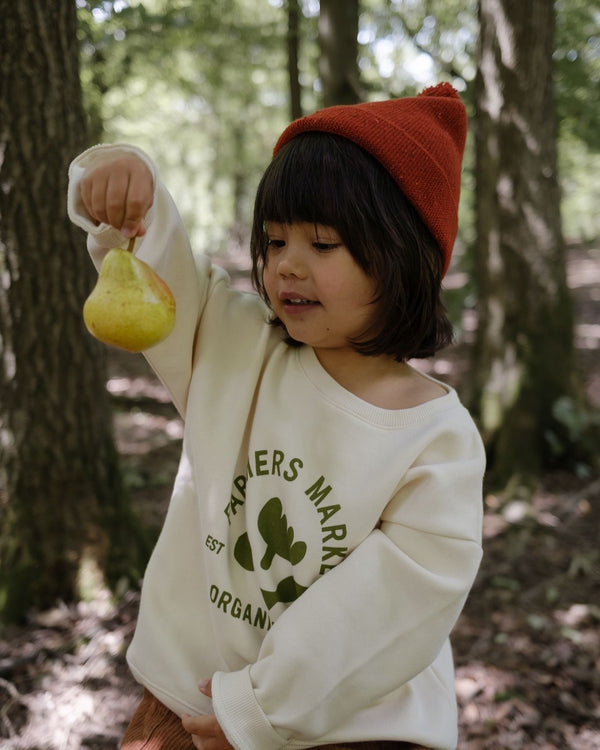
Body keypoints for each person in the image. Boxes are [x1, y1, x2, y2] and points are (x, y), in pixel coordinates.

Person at [67, 82, 485, 750]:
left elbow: (388, 606)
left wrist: (260, 708)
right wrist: (126, 195)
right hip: (187, 705)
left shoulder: (434, 440)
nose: (287, 263)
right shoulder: (237, 348)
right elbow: (162, 272)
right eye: (274, 239)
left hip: (347, 730)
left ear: (403, 258)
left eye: (323, 244)